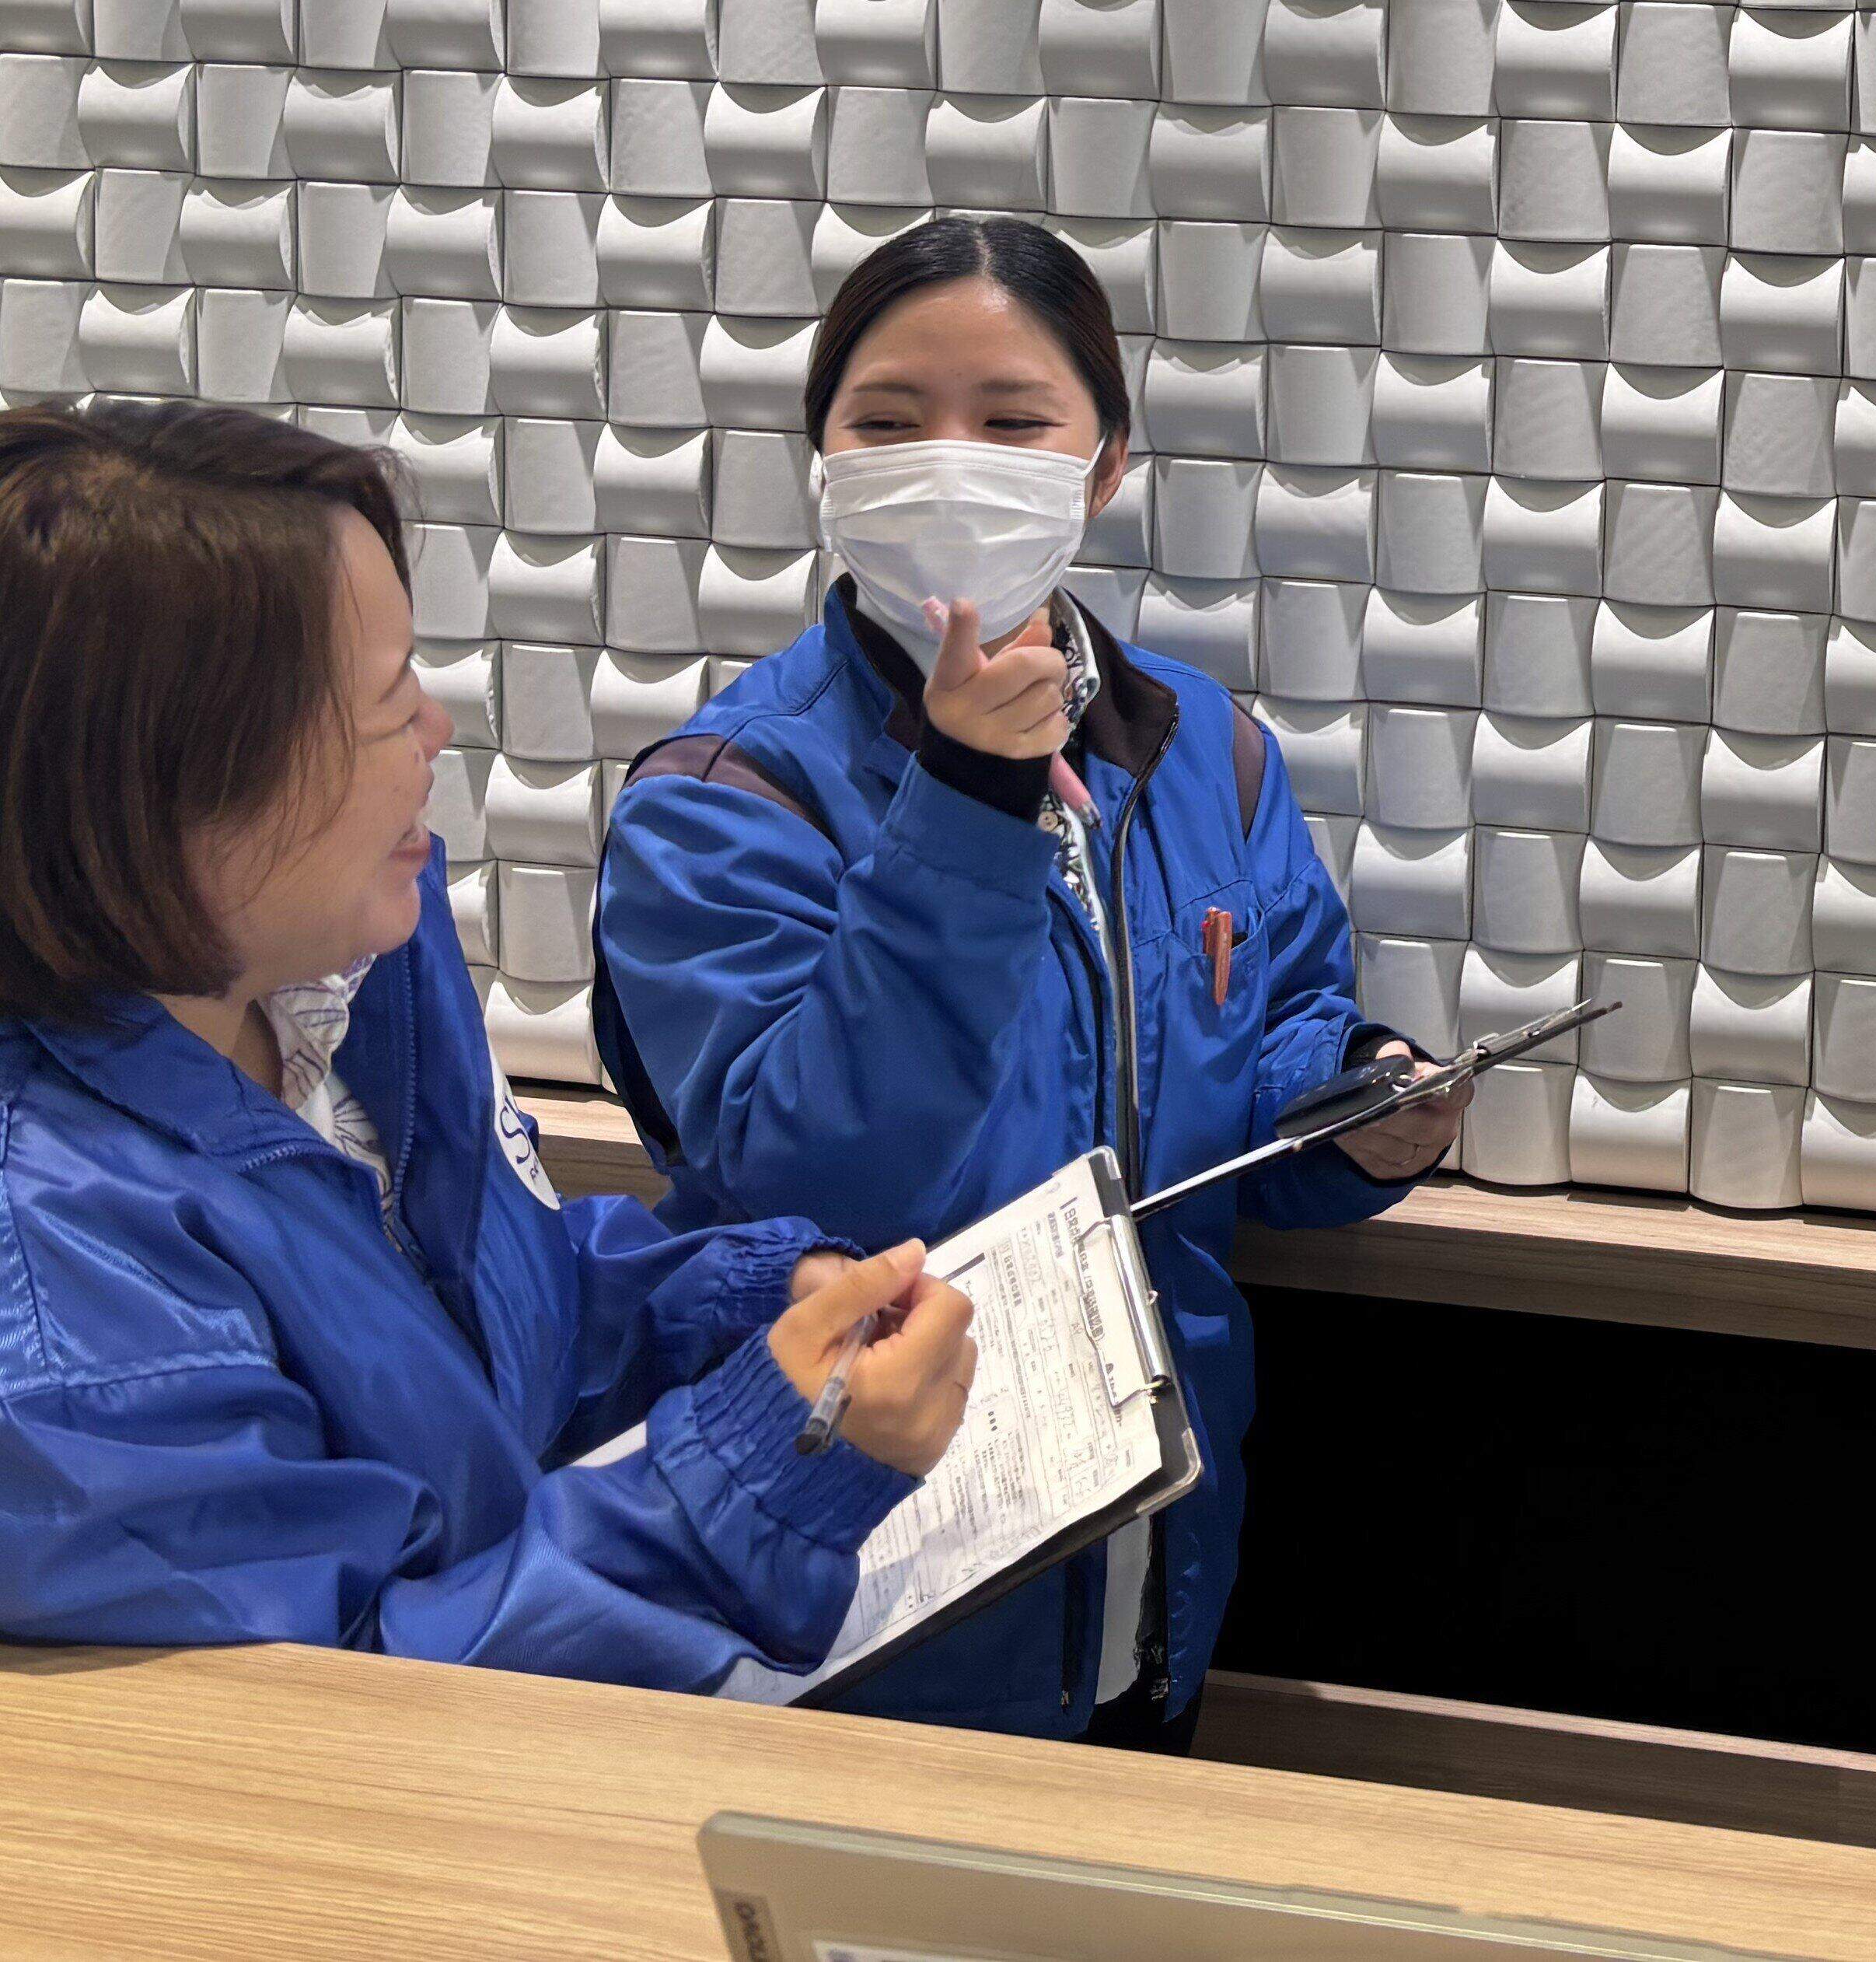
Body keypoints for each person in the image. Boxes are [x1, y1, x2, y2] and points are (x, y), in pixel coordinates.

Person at [592, 213, 1459, 1748]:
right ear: (823, 459)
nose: (949, 464)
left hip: (1154, 1554)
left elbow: (1259, 1047)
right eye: (888, 422)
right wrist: (967, 799)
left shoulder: (1205, 750)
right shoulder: (726, 799)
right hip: (861, 1586)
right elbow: (808, 1172)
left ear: (1104, 464)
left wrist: (1361, 1108)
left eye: (1010, 423)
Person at [0, 399, 975, 1683]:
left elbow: (490, 1320)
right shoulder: (68, 1307)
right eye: (385, 704)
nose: (437, 734)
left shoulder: (346, 975)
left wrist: (740, 1301)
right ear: (168, 790)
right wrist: (769, 1472)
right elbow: (343, 1707)